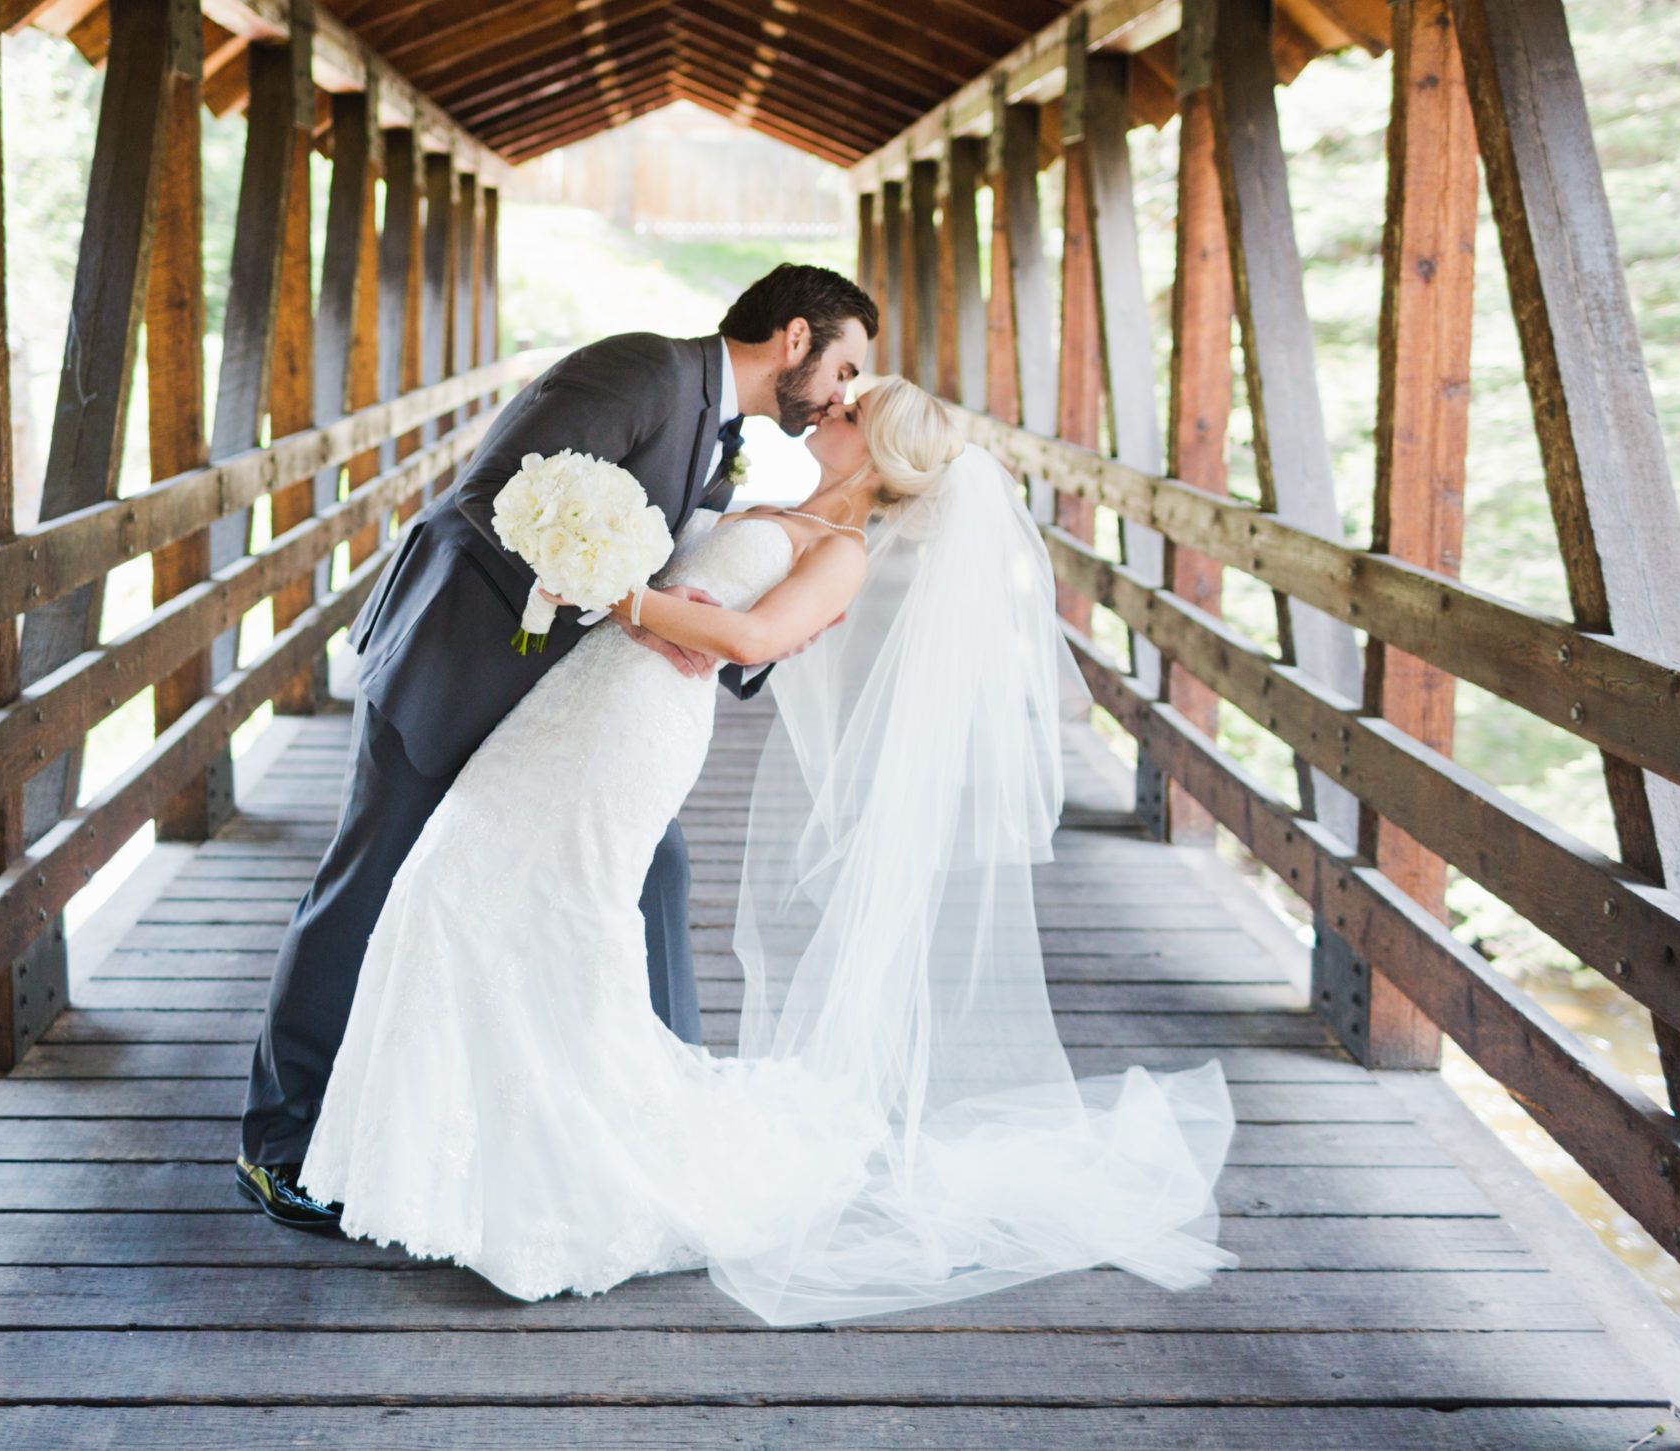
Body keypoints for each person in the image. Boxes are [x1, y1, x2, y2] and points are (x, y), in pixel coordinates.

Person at [300, 376, 1238, 1324]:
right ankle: (464, 1159)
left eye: (851, 411)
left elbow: (751, 637)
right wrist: (610, 575)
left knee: (558, 911)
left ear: (879, 452)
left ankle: (563, 1172)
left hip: (639, 722)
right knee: (450, 876)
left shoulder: (841, 552)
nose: (829, 408)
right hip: (580, 698)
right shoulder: (774, 507)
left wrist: (626, 597)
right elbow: (694, 599)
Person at [235, 264, 877, 1230]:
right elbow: (503, 498)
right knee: (369, 882)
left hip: (556, 703)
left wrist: (749, 629)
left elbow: (680, 568)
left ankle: (654, 1119)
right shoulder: (644, 371)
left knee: (654, 868)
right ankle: (278, 1144)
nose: (841, 393)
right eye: (845, 366)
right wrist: (627, 598)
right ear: (795, 338)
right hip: (451, 661)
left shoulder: (719, 431)